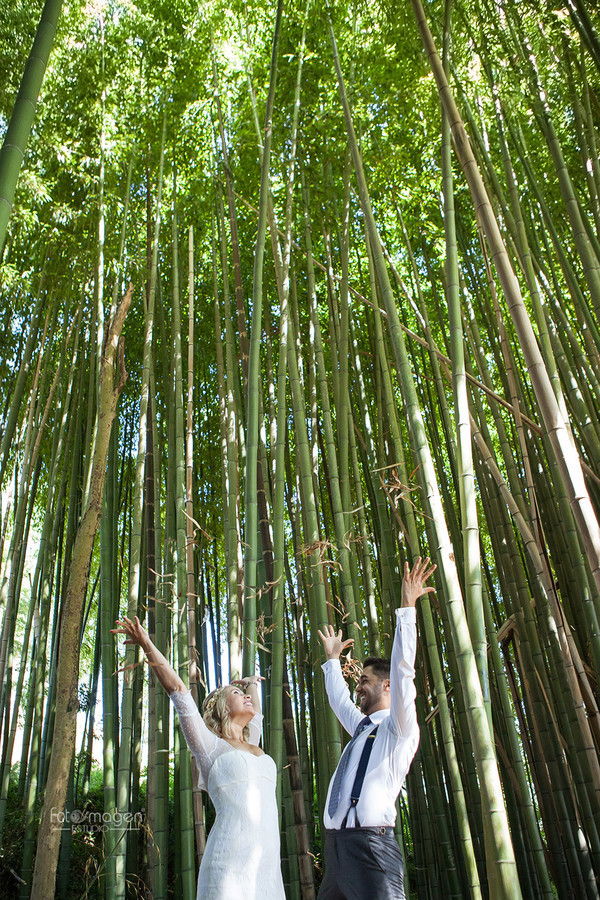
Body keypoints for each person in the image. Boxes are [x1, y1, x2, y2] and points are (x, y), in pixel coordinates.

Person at [112, 616, 286, 900]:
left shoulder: (254, 744)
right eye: (236, 693)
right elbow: (178, 691)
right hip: (227, 867)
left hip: (265, 870)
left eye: (245, 694)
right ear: (221, 707)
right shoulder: (211, 748)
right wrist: (146, 644)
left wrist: (251, 683)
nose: (245, 696)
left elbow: (257, 713)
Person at [317, 557, 436, 900]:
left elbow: (403, 672)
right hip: (337, 850)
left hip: (372, 849)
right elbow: (339, 700)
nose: (359, 687)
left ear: (385, 688)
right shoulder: (362, 728)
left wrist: (407, 609)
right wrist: (331, 660)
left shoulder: (398, 728)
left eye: (365, 681)